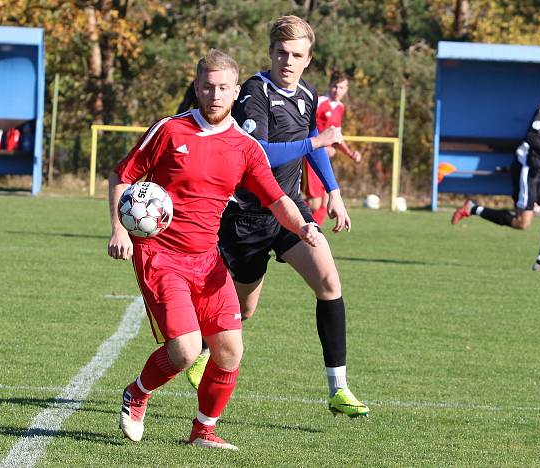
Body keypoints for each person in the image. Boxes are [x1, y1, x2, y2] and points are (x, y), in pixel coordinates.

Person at [107, 49, 320, 450]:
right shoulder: (170, 131)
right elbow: (123, 175)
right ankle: (137, 393)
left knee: (229, 349)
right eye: (207, 87)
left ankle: (203, 430)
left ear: (236, 91)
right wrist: (119, 229)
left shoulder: (245, 147)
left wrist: (305, 225)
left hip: (207, 259)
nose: (215, 95)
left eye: (223, 88)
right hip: (161, 255)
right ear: (197, 88)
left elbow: (277, 200)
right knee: (186, 351)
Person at [187, 15, 370, 418]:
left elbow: (314, 148)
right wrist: (314, 140)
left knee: (328, 281)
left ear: (309, 58)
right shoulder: (255, 91)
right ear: (270, 53)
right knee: (244, 310)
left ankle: (339, 388)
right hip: (247, 216)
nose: (288, 61)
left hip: (290, 210)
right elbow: (259, 154)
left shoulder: (308, 93)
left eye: (297, 55)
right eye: (282, 53)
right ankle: (201, 347)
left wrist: (335, 193)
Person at [451, 75, 540, 273]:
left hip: (538, 169)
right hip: (527, 168)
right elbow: (531, 137)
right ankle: (473, 208)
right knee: (522, 223)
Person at [304, 71, 362, 224]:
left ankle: (314, 236)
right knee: (314, 203)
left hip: (325, 157)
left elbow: (336, 136)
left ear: (347, 89)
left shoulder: (340, 107)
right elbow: (306, 128)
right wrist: (321, 145)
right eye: (335, 87)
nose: (338, 91)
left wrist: (350, 154)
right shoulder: (320, 102)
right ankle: (282, 219)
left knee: (326, 202)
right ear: (329, 86)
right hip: (313, 155)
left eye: (342, 87)